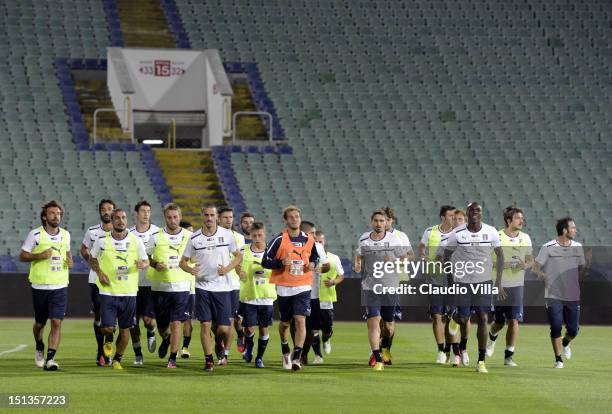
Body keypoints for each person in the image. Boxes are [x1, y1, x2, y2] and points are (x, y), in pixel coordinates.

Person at [262, 205, 329, 371]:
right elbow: (265, 261)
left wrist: (313, 263)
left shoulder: (309, 239)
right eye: (291, 217)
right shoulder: (279, 239)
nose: (294, 219)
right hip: (284, 286)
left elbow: (314, 256)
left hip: (303, 285)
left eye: (297, 216)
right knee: (285, 323)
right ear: (286, 220)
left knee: (300, 320)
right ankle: (285, 349)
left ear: (300, 218)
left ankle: (297, 357)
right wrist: (280, 263)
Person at [441, 202, 504, 373]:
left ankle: (481, 361)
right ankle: (455, 317)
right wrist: (450, 282)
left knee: (483, 318)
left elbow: (500, 255)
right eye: (472, 210)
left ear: (481, 213)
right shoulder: (457, 233)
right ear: (467, 213)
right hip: (462, 281)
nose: (475, 212)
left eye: (478, 210)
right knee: (463, 319)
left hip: (483, 282)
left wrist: (498, 282)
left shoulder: (491, 231)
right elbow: (446, 256)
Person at [179, 205, 242, 372]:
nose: (209, 218)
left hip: (223, 288)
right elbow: (182, 261)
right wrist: (190, 270)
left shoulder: (227, 235)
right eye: (206, 215)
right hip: (203, 287)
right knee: (205, 325)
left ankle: (219, 344)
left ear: (216, 217)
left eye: (212, 215)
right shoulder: (194, 238)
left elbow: (239, 256)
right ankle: (208, 360)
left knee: (223, 328)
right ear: (202, 216)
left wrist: (227, 269)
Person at [89, 208, 149, 370]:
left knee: (125, 330)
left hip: (129, 292)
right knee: (107, 327)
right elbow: (92, 258)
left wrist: (143, 264)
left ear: (127, 221)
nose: (121, 221)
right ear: (112, 221)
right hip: (108, 291)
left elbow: (146, 261)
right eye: (117, 218)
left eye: (123, 218)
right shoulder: (102, 241)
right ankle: (108, 337)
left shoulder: (136, 241)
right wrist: (99, 273)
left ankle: (117, 359)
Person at [19, 200, 73, 371]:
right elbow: (22, 256)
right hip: (40, 286)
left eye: (58, 213)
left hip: (60, 285)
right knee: (40, 324)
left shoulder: (66, 234)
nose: (56, 216)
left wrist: (70, 260)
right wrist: (39, 255)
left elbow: (67, 251)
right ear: (44, 216)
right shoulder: (35, 235)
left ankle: (50, 359)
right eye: (52, 213)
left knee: (56, 322)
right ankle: (39, 344)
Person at [354, 209, 409, 371]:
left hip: (390, 287)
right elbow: (359, 255)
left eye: (382, 221)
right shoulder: (364, 239)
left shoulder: (394, 239)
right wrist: (358, 264)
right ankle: (377, 357)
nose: (379, 224)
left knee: (389, 324)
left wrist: (393, 260)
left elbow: (405, 259)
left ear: (387, 223)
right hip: (370, 287)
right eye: (376, 221)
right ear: (372, 222)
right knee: (373, 321)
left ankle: (385, 348)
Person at [532, 217, 589, 369]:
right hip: (553, 295)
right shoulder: (548, 247)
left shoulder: (578, 247)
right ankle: (558, 359)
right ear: (565, 230)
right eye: (573, 228)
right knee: (556, 326)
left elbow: (581, 268)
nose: (576, 230)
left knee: (573, 330)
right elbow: (535, 268)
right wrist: (543, 276)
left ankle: (565, 343)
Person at [486, 206, 533, 366]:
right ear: (508, 220)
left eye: (522, 218)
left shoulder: (525, 238)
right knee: (499, 322)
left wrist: (524, 265)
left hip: (517, 285)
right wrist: (503, 264)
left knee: (514, 320)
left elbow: (530, 260)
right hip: (499, 285)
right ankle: (492, 338)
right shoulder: (496, 236)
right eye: (518, 218)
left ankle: (509, 356)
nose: (521, 221)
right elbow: (485, 261)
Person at [148, 203, 193, 369]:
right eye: (169, 217)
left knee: (176, 323)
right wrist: (154, 264)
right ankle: (165, 339)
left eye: (175, 217)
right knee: (162, 326)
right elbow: (146, 256)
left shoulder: (189, 236)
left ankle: (172, 358)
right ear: (165, 218)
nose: (173, 220)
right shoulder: (155, 236)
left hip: (181, 287)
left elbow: (196, 256)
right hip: (160, 288)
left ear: (180, 217)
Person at [418, 205, 458, 364]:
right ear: (442, 217)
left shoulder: (459, 233)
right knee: (436, 316)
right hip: (434, 278)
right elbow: (422, 245)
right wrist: (423, 255)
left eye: (455, 216)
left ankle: (452, 349)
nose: (453, 219)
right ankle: (441, 350)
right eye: (450, 216)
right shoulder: (430, 231)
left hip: (453, 280)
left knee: (452, 317)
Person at [80, 199, 115, 366]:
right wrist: (93, 264)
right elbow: (83, 249)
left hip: (115, 281)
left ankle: (107, 349)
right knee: (99, 315)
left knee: (112, 316)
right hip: (95, 280)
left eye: (109, 209)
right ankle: (101, 351)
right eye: (104, 209)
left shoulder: (121, 232)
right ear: (100, 212)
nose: (106, 212)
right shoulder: (92, 231)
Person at [238, 222, 276, 368]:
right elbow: (236, 265)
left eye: (260, 235)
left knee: (263, 327)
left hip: (266, 296)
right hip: (249, 295)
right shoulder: (243, 250)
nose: (258, 238)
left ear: (264, 234)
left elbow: (278, 269)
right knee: (248, 328)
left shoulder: (271, 251)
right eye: (254, 235)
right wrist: (239, 272)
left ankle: (259, 358)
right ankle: (249, 346)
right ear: (250, 236)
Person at [128, 200, 160, 365]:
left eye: (148, 211)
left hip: (149, 284)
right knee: (133, 322)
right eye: (143, 211)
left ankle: (152, 331)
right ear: (136, 214)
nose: (146, 214)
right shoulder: (128, 234)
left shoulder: (157, 233)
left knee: (148, 320)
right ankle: (138, 353)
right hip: (131, 285)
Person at [217, 206, 246, 359]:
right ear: (218, 219)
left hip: (232, 285)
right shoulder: (212, 236)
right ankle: (220, 345)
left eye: (230, 217)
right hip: (214, 286)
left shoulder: (239, 238)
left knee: (231, 320)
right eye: (225, 218)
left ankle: (225, 354)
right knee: (217, 324)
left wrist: (238, 271)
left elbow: (239, 259)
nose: (228, 220)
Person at [314, 230, 344, 357]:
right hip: (311, 298)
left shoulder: (333, 258)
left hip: (326, 299)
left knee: (327, 330)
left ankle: (326, 339)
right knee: (313, 329)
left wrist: (333, 282)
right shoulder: (306, 258)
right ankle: (318, 356)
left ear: (324, 242)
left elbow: (341, 275)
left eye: (320, 241)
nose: (318, 244)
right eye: (315, 242)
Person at [178, 220, 195, 359]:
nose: (191, 235)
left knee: (188, 318)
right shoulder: (176, 246)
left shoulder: (195, 245)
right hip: (176, 287)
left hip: (191, 288)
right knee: (174, 320)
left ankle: (185, 347)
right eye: (189, 232)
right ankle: (172, 344)